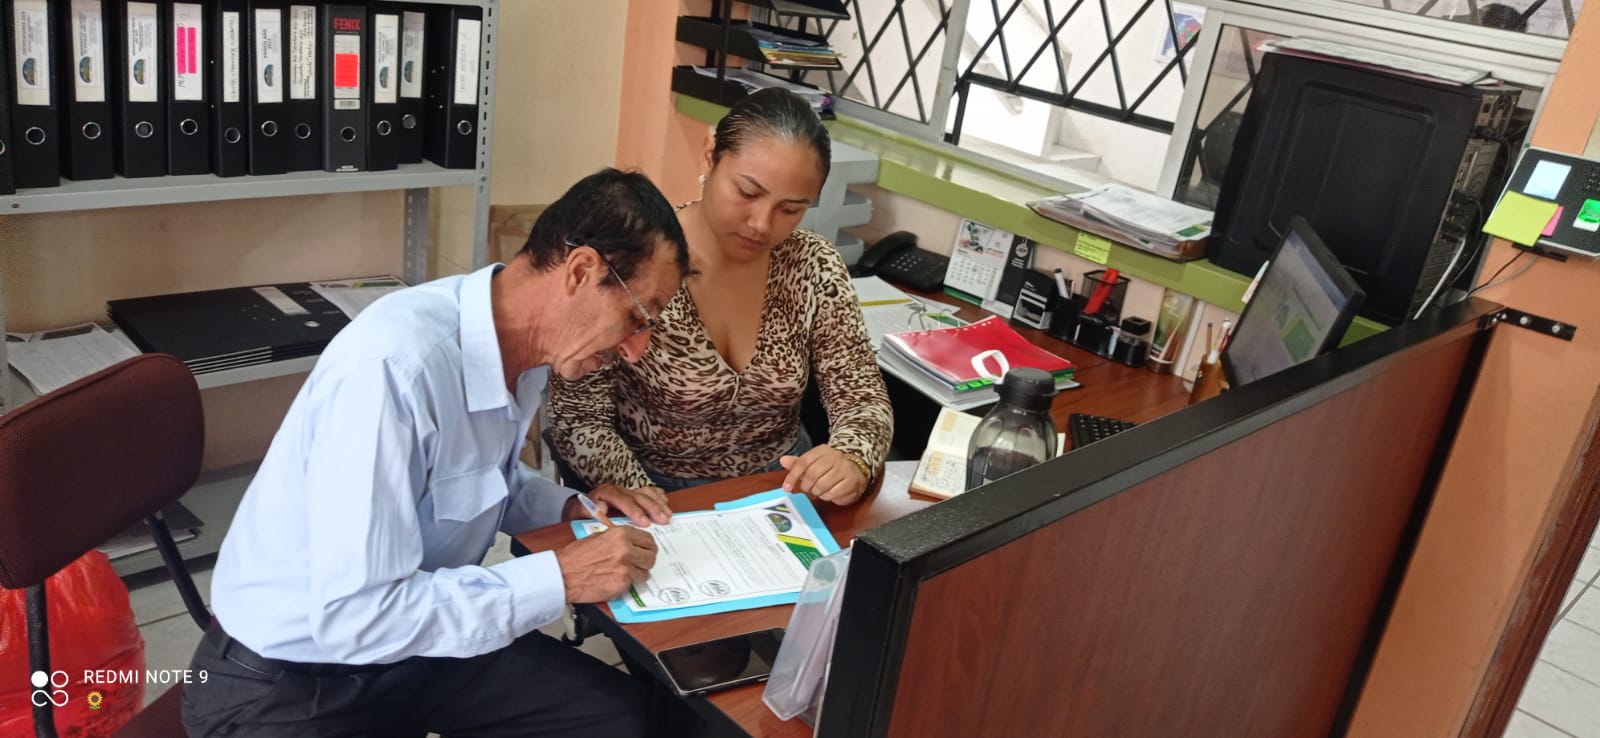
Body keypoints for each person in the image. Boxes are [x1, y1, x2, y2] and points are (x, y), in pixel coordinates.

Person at [183, 168, 691, 738]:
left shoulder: (519, 353)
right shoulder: (394, 369)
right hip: (290, 683)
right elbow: (356, 616)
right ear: (580, 271)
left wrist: (571, 509)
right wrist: (561, 578)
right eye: (637, 317)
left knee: (629, 722)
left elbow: (474, 478)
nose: (637, 349)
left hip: (418, 642)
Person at [546, 88, 892, 506]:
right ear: (710, 156)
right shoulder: (636, 261)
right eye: (747, 192)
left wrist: (852, 456)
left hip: (783, 491)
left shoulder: (812, 264)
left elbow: (861, 395)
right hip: (657, 492)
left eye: (790, 209)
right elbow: (579, 415)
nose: (761, 224)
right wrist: (642, 498)